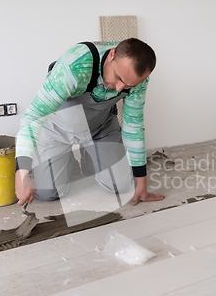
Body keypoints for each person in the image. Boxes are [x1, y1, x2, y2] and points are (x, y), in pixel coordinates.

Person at [14, 38, 164, 207]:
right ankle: (66, 159)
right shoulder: (74, 65)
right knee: (46, 193)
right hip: (57, 130)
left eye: (128, 85)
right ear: (112, 54)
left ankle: (90, 157)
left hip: (100, 129)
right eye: (118, 77)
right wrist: (21, 172)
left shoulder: (138, 80)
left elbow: (134, 127)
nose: (120, 89)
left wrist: (141, 184)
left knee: (121, 186)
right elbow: (32, 118)